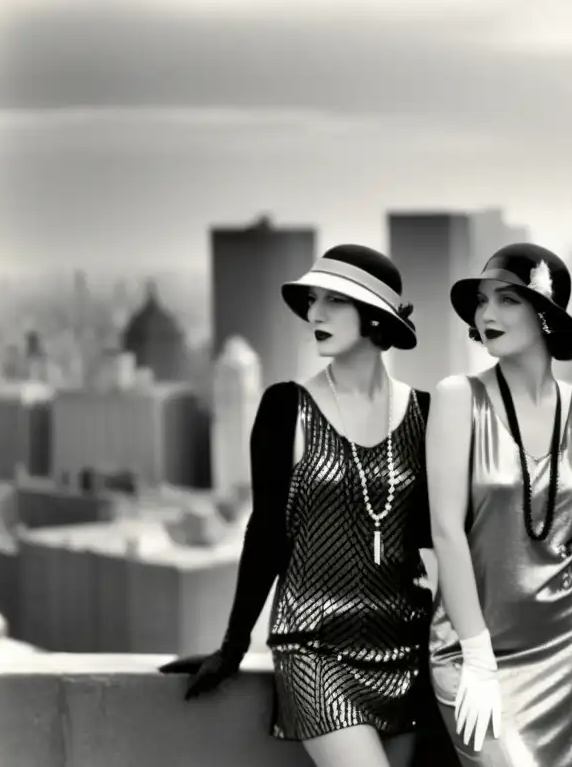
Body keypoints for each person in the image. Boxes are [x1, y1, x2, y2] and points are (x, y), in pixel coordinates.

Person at [159, 245, 440, 767]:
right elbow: (265, 532)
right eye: (314, 301)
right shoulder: (285, 406)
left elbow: (436, 537)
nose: (315, 315)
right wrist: (232, 646)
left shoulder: (425, 412)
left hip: (405, 647)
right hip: (314, 646)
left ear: (375, 314)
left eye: (334, 301)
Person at [426, 243, 572, 766]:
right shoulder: (456, 396)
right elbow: (445, 530)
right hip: (470, 646)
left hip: (565, 643)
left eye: (507, 300)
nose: (487, 314)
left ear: (545, 315)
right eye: (482, 301)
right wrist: (477, 655)